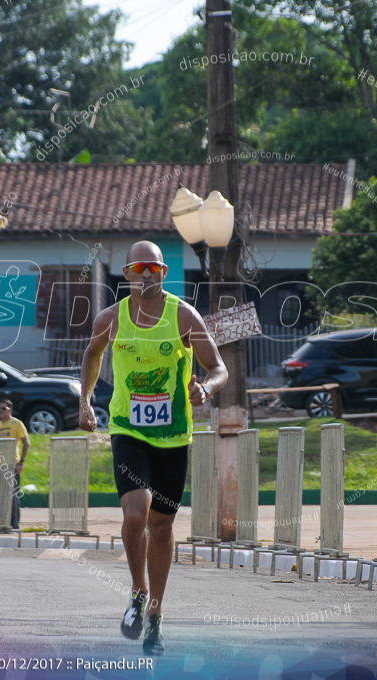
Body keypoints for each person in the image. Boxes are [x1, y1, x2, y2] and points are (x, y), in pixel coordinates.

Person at [79, 240, 227, 656]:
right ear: (126, 274)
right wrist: (85, 400)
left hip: (174, 437)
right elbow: (92, 355)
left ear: (164, 273)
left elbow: (219, 367)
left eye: (155, 268)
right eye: (140, 267)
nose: (147, 274)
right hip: (128, 430)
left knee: (161, 527)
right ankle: (138, 591)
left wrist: (207, 389)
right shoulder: (111, 319)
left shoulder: (184, 315)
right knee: (136, 512)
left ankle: (156, 618)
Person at [0, 399, 30, 530]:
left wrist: (21, 462)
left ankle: (13, 523)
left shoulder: (16, 423)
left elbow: (26, 443)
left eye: (4, 408)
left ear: (10, 410)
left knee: (11, 495)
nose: (1, 411)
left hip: (11, 463)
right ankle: (2, 522)